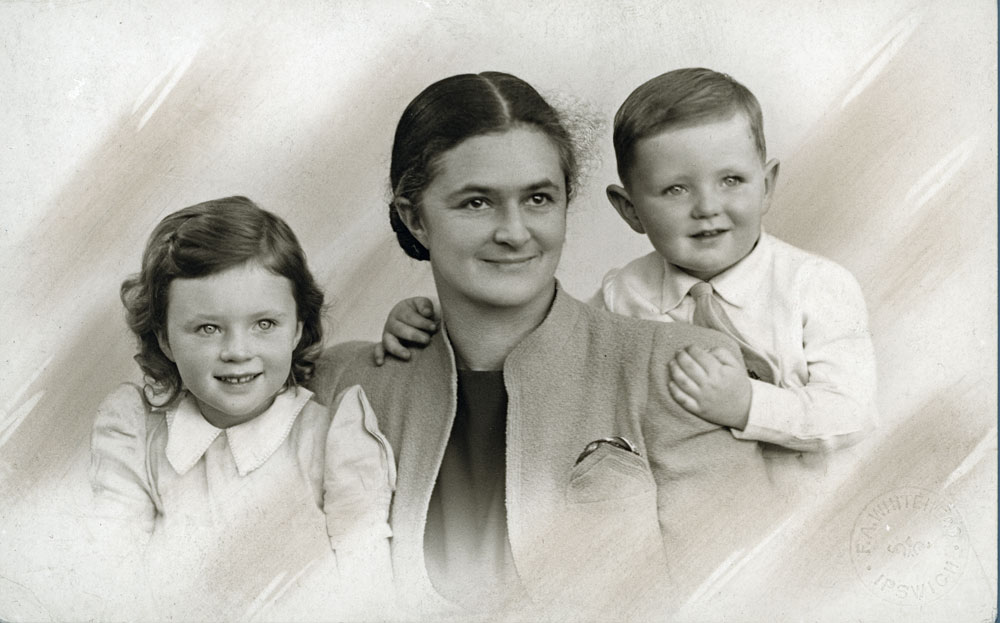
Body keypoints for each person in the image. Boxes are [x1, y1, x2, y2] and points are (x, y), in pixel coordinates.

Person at [310, 72, 786, 621]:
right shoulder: (346, 382)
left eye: (538, 198)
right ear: (416, 217)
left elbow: (746, 597)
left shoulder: (680, 370)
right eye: (476, 203)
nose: (514, 232)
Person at [381, 68, 878, 485]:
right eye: (675, 189)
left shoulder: (816, 287)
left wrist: (749, 404)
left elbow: (850, 412)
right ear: (629, 209)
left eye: (732, 180)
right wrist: (430, 326)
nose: (708, 208)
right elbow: (556, 348)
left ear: (766, 185)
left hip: (806, 509)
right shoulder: (625, 291)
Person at [88, 196, 395, 621]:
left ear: (297, 330)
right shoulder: (138, 434)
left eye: (264, 324)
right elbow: (110, 567)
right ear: (164, 340)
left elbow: (367, 577)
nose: (237, 351)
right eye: (208, 328)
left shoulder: (330, 438)